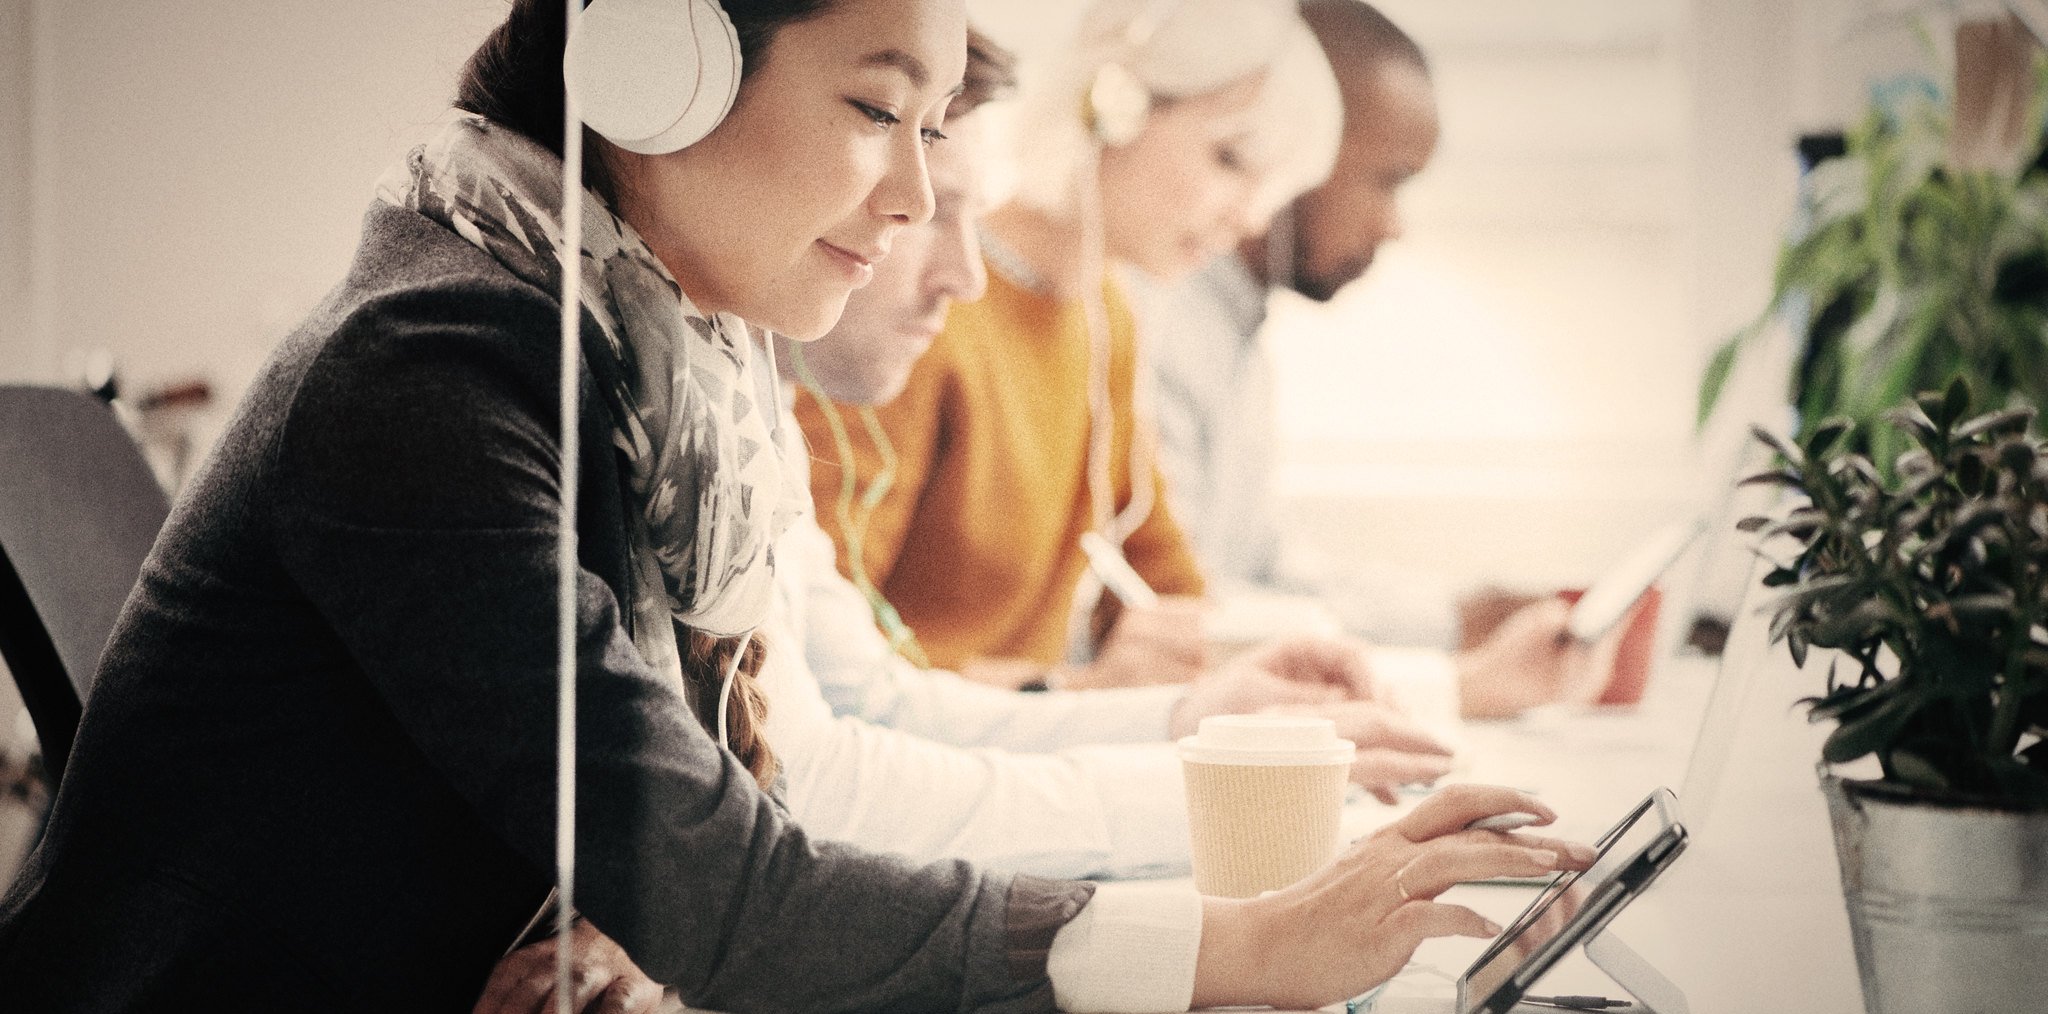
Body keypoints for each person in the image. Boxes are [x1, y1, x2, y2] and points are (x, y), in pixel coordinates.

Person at [0, 2, 1590, 1012]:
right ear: (655, 63)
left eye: (933, 125)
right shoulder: (437, 364)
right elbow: (723, 886)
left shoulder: (646, 349)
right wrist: (1237, 949)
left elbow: (715, 833)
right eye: (874, 109)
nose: (911, 202)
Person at [792, 0, 1347, 689]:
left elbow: (1166, 578)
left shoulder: (1106, 312)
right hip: (921, 747)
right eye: (1231, 158)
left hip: (1018, 746)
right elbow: (829, 659)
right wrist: (1065, 688)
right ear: (1112, 108)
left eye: (1272, 190)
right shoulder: (918, 305)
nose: (1249, 216)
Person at [1144, 0, 1596, 719]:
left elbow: (1258, 565)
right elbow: (1185, 613)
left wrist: (1460, 616)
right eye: (1387, 179)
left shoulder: (1235, 338)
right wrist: (1453, 673)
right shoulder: (1155, 327)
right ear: (1296, 145)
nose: (1393, 226)